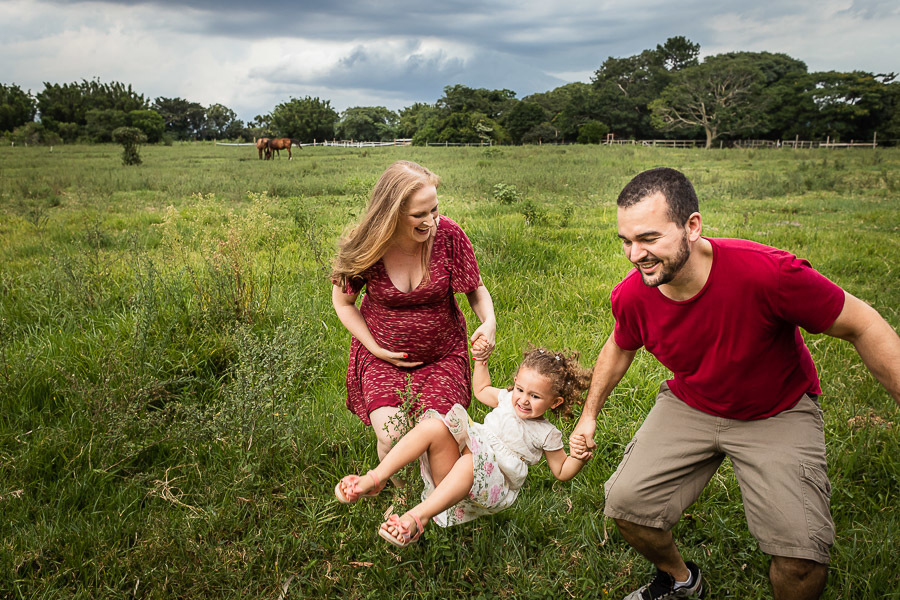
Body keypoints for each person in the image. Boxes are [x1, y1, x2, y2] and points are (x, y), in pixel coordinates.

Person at [571, 167, 900, 600]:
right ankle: (680, 580)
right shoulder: (634, 294)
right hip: (693, 403)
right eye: (626, 241)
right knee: (627, 506)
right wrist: (588, 415)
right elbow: (620, 345)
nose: (635, 255)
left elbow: (863, 323)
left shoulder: (769, 273)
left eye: (649, 239)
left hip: (777, 410)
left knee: (801, 558)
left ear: (692, 226)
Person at [335, 346, 593, 547]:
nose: (524, 400)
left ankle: (417, 517)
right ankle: (375, 478)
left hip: (487, 489)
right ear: (514, 383)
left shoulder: (547, 433)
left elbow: (562, 471)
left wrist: (579, 457)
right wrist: (481, 361)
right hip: (455, 473)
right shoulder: (506, 399)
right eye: (520, 389)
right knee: (434, 427)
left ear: (555, 402)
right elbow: (481, 390)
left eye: (535, 396)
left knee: (471, 461)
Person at [331, 161, 497, 463]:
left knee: (442, 432)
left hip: (442, 356)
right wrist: (376, 349)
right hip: (381, 358)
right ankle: (401, 490)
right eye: (419, 215)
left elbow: (476, 288)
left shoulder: (448, 235)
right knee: (393, 435)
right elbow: (343, 303)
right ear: (391, 213)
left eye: (434, 209)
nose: (431, 222)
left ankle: (440, 490)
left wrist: (489, 321)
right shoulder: (367, 243)